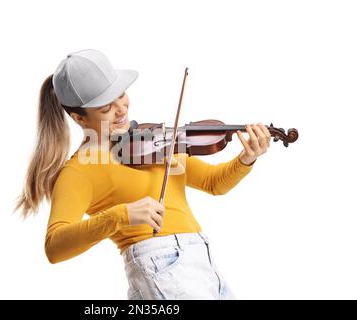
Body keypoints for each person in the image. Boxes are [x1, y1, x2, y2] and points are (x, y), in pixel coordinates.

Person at [15, 49, 272, 300]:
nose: (121, 108)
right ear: (79, 118)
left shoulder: (152, 141)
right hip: (164, 265)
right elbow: (55, 247)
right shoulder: (79, 171)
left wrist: (246, 158)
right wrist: (122, 215)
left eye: (121, 95)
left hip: (203, 264)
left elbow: (213, 182)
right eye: (105, 108)